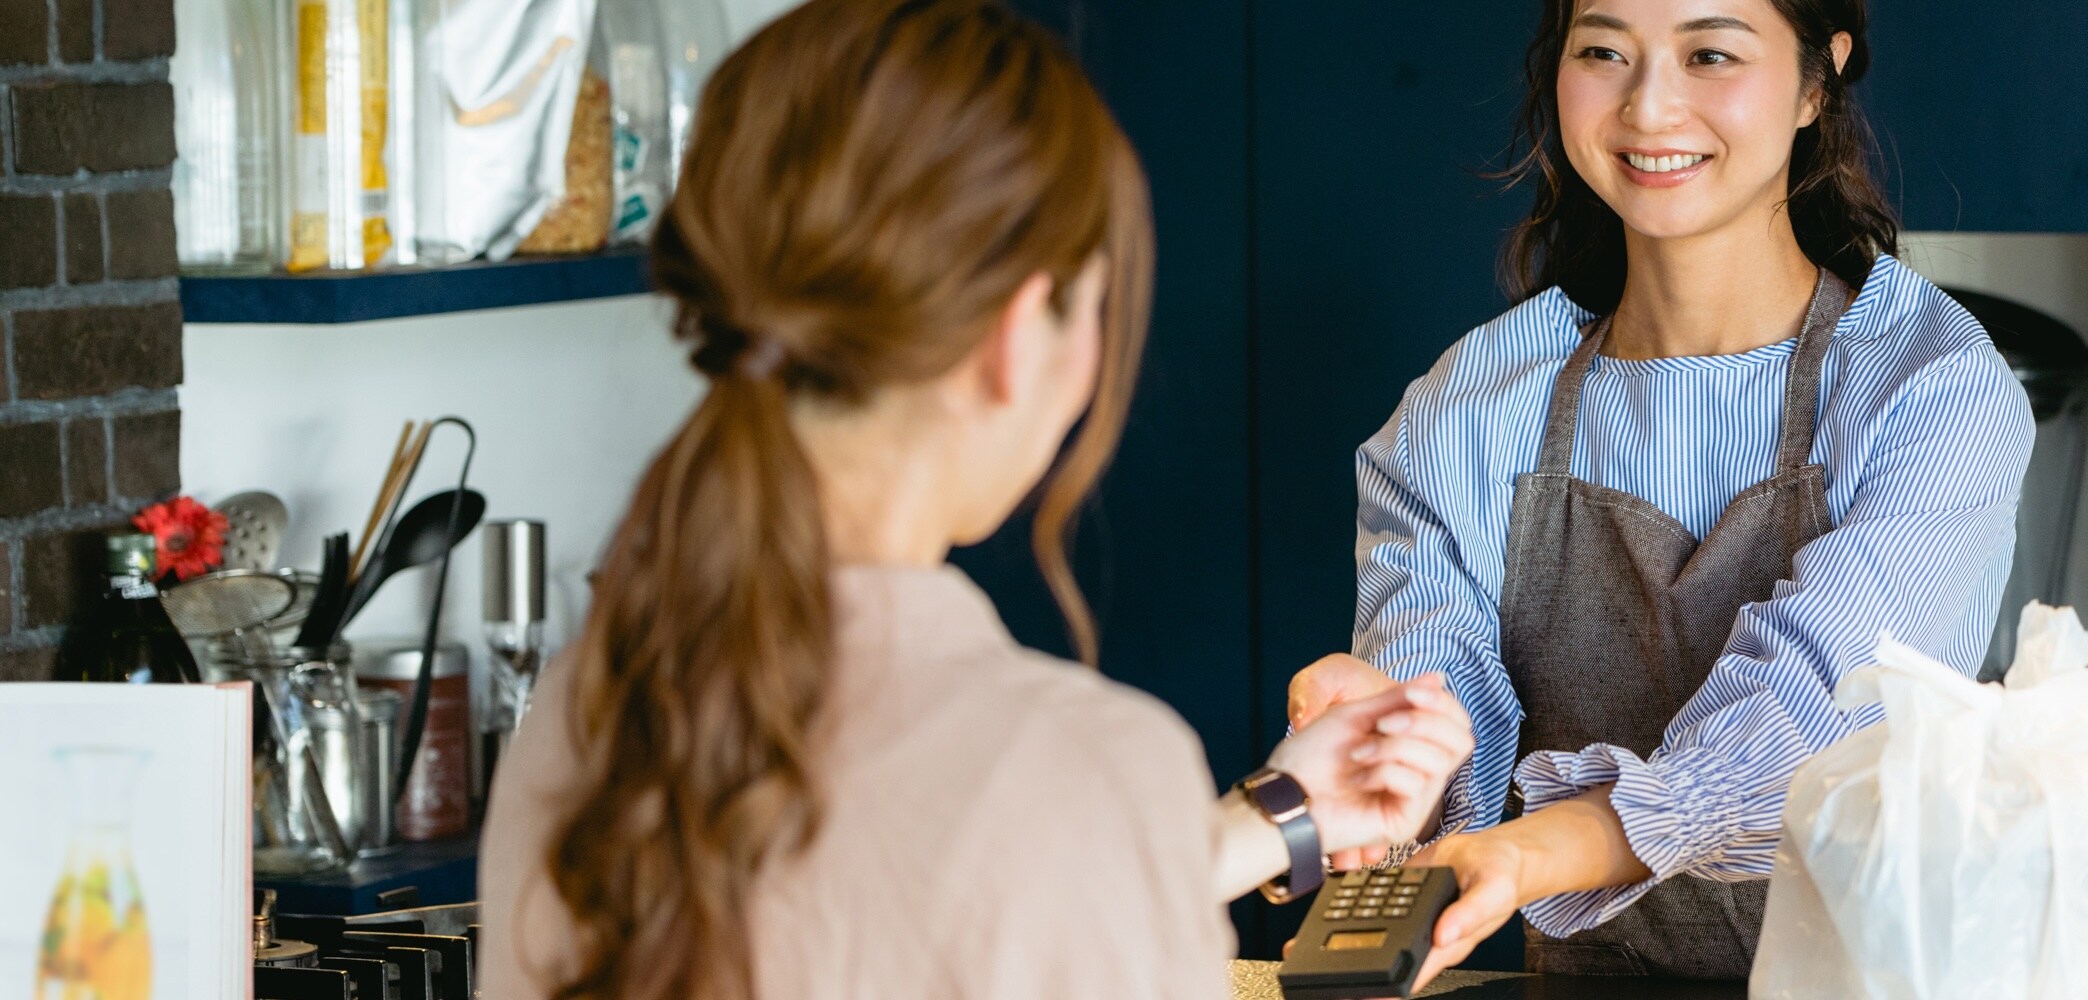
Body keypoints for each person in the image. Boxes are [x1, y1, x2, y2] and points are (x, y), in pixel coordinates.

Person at [476, 2, 1474, 997]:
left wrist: (1281, 814)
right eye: (1091, 302)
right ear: (1012, 336)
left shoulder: (583, 717)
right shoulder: (1081, 767)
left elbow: (900, 896)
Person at [1287, 0, 2035, 984]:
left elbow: (1809, 718)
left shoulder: (1925, 383)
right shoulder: (1465, 410)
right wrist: (1390, 748)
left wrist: (1534, 850)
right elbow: (1440, 738)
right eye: (1604, 51)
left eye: (1710, 52)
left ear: (1819, 79)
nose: (1650, 105)